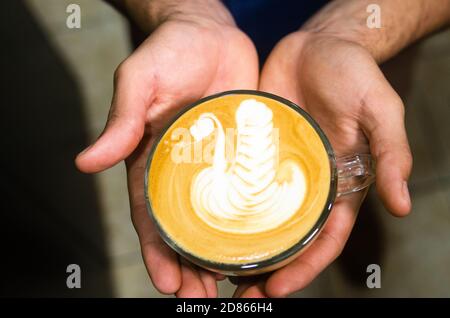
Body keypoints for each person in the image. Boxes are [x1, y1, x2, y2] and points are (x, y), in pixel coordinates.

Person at [75, 0, 450, 297]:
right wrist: (181, 11)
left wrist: (351, 32)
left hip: (372, 29)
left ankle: (342, 200)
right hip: (183, 50)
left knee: (353, 134)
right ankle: (329, 202)